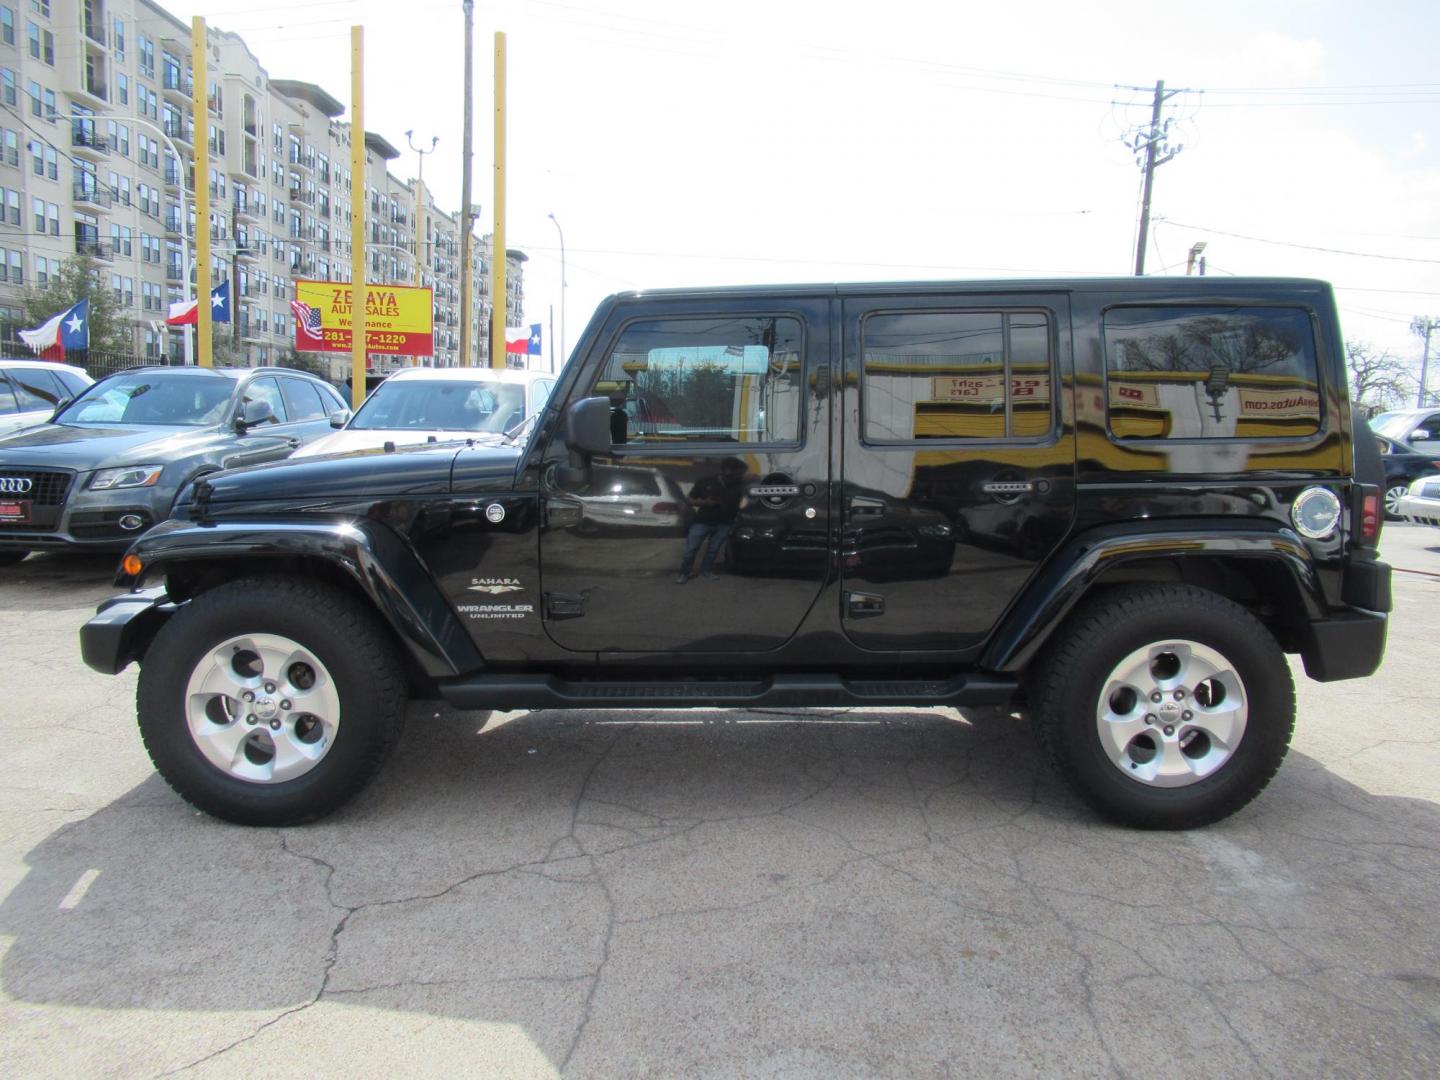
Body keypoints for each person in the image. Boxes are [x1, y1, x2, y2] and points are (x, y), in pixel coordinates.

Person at [676, 457, 747, 583]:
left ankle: (706, 571)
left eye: (740, 473)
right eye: (737, 472)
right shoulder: (705, 482)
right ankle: (684, 573)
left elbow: (743, 502)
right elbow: (689, 500)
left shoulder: (740, 485)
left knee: (713, 550)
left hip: (725, 524)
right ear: (726, 470)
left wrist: (745, 505)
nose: (739, 475)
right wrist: (706, 503)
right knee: (691, 549)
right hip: (702, 522)